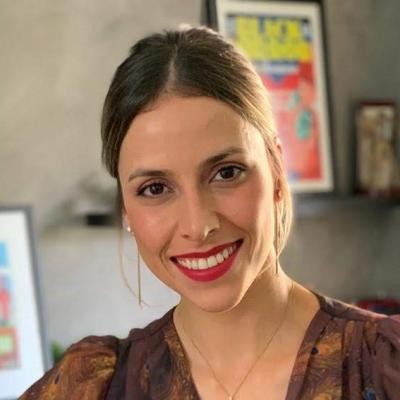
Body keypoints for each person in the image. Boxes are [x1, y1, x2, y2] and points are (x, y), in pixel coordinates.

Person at [20, 26, 399, 400]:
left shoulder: (385, 366)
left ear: (277, 170)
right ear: (126, 209)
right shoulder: (90, 387)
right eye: (155, 189)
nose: (198, 225)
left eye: (226, 173)